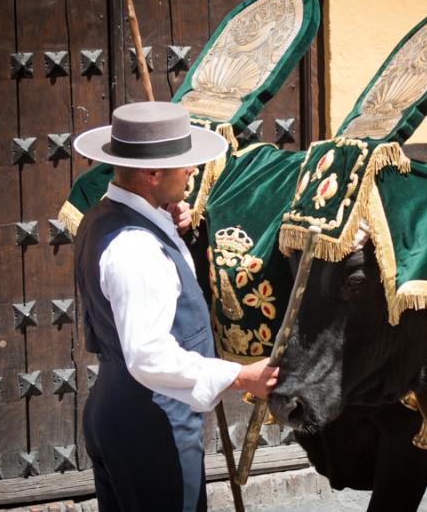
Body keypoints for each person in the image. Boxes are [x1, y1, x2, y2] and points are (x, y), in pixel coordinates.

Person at [72, 101, 279, 512]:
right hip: (149, 428)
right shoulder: (136, 246)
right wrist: (240, 376)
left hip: (121, 414)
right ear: (152, 174)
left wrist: (166, 217)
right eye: (183, 165)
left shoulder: (104, 215)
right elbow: (148, 355)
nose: (190, 172)